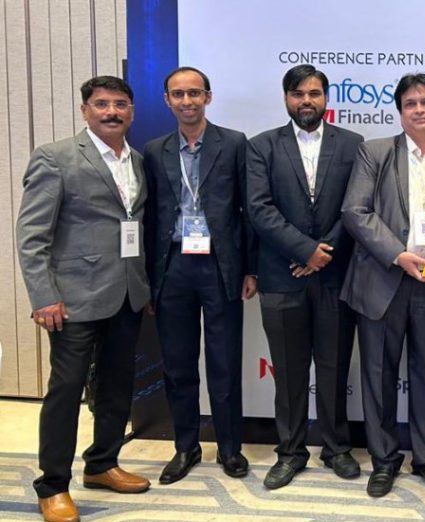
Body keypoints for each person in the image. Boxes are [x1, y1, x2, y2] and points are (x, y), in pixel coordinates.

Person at [18, 75, 151, 522]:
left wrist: (144, 286)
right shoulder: (55, 157)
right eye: (101, 104)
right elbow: (32, 236)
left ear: (131, 111)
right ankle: (53, 485)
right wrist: (44, 296)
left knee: (116, 386)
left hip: (127, 293)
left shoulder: (138, 160)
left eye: (120, 104)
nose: (112, 112)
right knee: (66, 390)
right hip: (72, 300)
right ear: (85, 110)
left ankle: (102, 464)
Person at [340, 72, 425, 498]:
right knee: (378, 376)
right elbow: (356, 212)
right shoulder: (375, 152)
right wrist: (399, 255)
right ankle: (384, 460)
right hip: (384, 280)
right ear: (399, 112)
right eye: (411, 103)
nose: (419, 109)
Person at [246, 64, 364, 490]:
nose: (306, 101)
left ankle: (336, 448)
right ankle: (291, 452)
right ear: (286, 99)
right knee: (289, 371)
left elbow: (355, 206)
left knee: (333, 368)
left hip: (335, 276)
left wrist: (322, 253)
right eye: (298, 94)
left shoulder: (352, 144)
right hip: (281, 277)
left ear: (326, 98)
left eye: (314, 93)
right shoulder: (261, 146)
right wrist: (303, 251)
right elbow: (259, 208)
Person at [142, 66, 257, 484]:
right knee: (178, 364)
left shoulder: (234, 143)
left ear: (208, 97)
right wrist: (149, 279)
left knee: (224, 361)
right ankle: (186, 446)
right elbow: (149, 217)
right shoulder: (154, 150)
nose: (187, 101)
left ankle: (229, 448)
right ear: (167, 100)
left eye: (194, 93)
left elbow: (249, 210)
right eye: (178, 94)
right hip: (172, 266)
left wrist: (250, 268)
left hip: (220, 265)